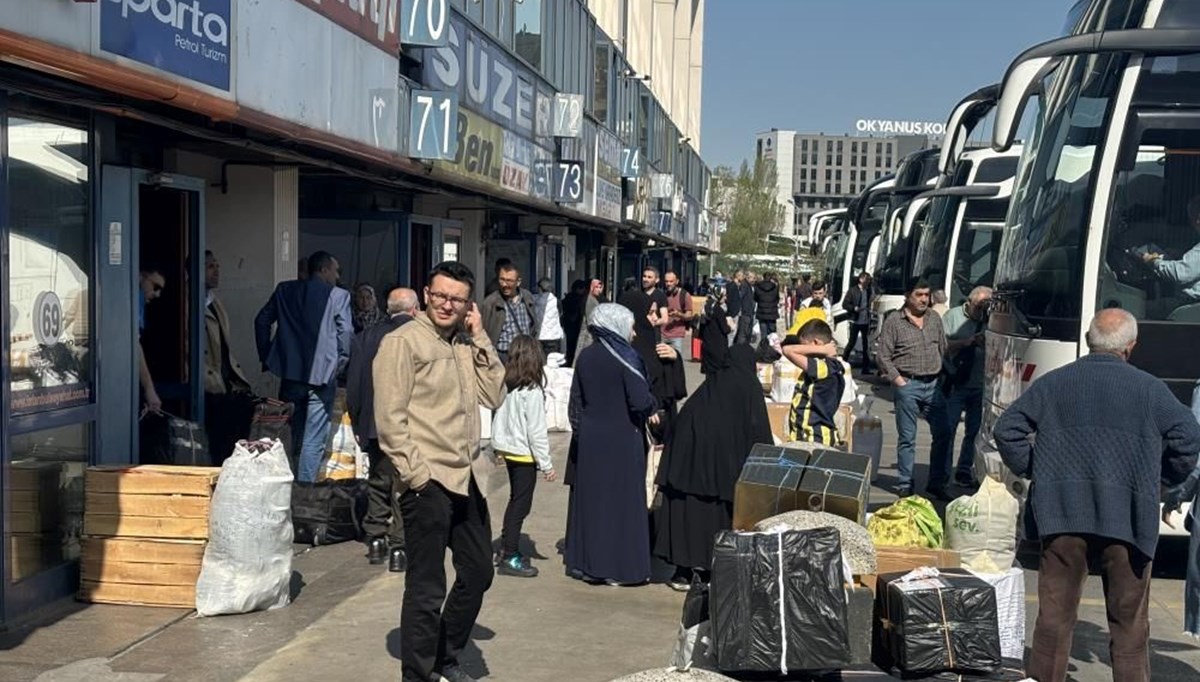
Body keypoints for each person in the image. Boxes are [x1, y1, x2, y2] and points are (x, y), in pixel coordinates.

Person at [995, 308, 1200, 682]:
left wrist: (1037, 469)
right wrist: (1160, 481)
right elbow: (1189, 437)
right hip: (1128, 520)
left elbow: (1007, 429)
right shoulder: (1150, 390)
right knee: (1129, 628)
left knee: (1054, 620)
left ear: (1090, 340)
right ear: (1131, 346)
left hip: (1062, 517)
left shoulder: (1055, 383)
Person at [373, 261, 506, 682]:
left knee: (479, 571)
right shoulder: (403, 342)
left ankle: (445, 656)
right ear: (426, 295)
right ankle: (420, 673)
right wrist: (416, 476)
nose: (447, 304)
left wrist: (480, 334)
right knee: (427, 589)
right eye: (441, 296)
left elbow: (495, 393)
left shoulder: (466, 343)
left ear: (469, 304)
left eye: (457, 299)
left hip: (467, 478)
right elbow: (389, 419)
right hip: (427, 481)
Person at [653, 294, 772, 589]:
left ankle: (681, 571)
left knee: (684, 520)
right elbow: (760, 436)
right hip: (721, 478)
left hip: (685, 472)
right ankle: (706, 571)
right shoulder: (748, 389)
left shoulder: (708, 390)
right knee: (713, 523)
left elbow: (681, 426)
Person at [564, 304, 658, 586]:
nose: (633, 333)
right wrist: (654, 407)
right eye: (629, 326)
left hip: (592, 437)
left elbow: (575, 405)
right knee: (623, 504)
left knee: (594, 502)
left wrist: (583, 434)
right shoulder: (627, 358)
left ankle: (590, 565)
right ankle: (621, 568)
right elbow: (640, 402)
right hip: (622, 437)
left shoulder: (585, 356)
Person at [254, 251, 353, 483]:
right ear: (324, 270)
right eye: (335, 270)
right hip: (322, 375)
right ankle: (304, 491)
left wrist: (268, 355)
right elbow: (346, 333)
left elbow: (261, 320)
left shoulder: (285, 290)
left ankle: (284, 484)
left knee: (288, 432)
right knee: (313, 438)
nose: (337, 276)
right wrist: (340, 363)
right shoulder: (338, 296)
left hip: (289, 373)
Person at [346, 287, 419, 572]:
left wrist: (357, 419)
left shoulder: (366, 336)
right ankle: (399, 545)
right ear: (414, 309)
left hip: (373, 422)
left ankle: (376, 538)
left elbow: (354, 385)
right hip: (407, 422)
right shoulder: (417, 336)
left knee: (378, 479)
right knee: (403, 482)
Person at [875, 278, 952, 499]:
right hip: (908, 384)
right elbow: (883, 356)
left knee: (944, 432)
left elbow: (943, 348)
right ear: (908, 296)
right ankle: (905, 485)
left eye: (927, 295)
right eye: (919, 295)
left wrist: (945, 375)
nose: (924, 300)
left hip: (933, 385)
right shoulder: (894, 321)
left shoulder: (934, 318)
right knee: (908, 437)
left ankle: (937, 483)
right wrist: (898, 380)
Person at [491, 335, 556, 579]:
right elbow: (536, 432)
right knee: (521, 504)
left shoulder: (508, 385)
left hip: (509, 450)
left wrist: (498, 448)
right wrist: (546, 464)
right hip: (524, 454)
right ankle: (510, 554)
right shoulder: (532, 391)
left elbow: (499, 418)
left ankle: (506, 547)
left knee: (514, 500)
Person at [199, 251, 254, 465]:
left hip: (223, 380)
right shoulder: (188, 302)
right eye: (210, 266)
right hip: (207, 383)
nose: (217, 271)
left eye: (217, 265)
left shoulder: (215, 302)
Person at [942, 286, 992, 488]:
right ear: (970, 302)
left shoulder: (991, 319)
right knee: (948, 429)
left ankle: (964, 470)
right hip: (956, 382)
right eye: (980, 306)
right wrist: (968, 341)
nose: (983, 310)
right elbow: (941, 345)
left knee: (974, 431)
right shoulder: (952, 317)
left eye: (987, 306)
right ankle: (943, 473)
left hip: (980, 384)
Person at [781, 319, 846, 446]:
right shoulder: (825, 367)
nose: (804, 353)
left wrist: (825, 350)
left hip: (815, 437)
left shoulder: (826, 367)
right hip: (807, 437)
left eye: (804, 346)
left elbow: (788, 350)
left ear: (816, 343)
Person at [1142, 194, 1200, 302]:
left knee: (1141, 309)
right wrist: (1180, 254)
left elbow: (1181, 274)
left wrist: (1153, 261)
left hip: (1190, 304)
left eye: (1192, 218)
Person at [481, 262, 537, 364]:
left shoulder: (527, 297)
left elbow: (533, 325)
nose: (504, 285)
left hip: (525, 355)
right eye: (502, 280)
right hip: (502, 356)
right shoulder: (490, 303)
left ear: (518, 282)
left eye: (509, 281)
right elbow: (484, 331)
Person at [137, 266, 167, 415]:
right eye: (155, 287)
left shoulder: (139, 302)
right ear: (141, 276)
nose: (157, 294)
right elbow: (134, 346)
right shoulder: (135, 297)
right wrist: (149, 389)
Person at [842, 272, 874, 371]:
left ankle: (866, 368)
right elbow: (845, 304)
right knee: (851, 342)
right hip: (855, 321)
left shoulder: (868, 291)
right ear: (861, 279)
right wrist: (854, 308)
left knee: (865, 345)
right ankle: (843, 362)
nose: (868, 282)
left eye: (869, 280)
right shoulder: (852, 291)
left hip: (865, 321)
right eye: (866, 280)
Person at [662, 271, 695, 356]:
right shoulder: (662, 295)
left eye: (671, 281)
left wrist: (678, 314)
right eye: (666, 281)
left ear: (677, 281)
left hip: (676, 335)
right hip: (662, 334)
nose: (668, 284)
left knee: (677, 362)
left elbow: (689, 316)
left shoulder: (684, 295)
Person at [573, 278, 604, 364]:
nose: (599, 290)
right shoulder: (590, 301)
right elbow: (590, 318)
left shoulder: (593, 299)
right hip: (588, 333)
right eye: (597, 287)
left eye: (600, 287)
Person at [534, 277, 564, 358]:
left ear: (540, 288)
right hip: (554, 337)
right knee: (553, 362)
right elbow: (561, 315)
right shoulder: (557, 301)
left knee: (539, 362)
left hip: (539, 336)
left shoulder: (534, 300)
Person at [561, 279, 588, 364]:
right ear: (578, 289)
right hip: (575, 325)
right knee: (574, 346)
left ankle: (569, 361)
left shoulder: (567, 297)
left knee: (569, 346)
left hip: (567, 325)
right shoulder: (579, 299)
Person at [753, 271, 781, 342]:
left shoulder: (758, 287)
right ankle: (772, 349)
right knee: (772, 334)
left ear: (763, 277)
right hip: (772, 313)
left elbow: (755, 298)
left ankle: (763, 349)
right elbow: (777, 299)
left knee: (763, 333)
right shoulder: (775, 287)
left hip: (761, 312)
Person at [734, 271, 756, 345]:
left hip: (749, 312)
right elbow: (740, 297)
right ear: (748, 277)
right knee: (743, 334)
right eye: (753, 278)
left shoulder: (749, 286)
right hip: (745, 312)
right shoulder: (744, 285)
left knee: (747, 334)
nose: (754, 280)